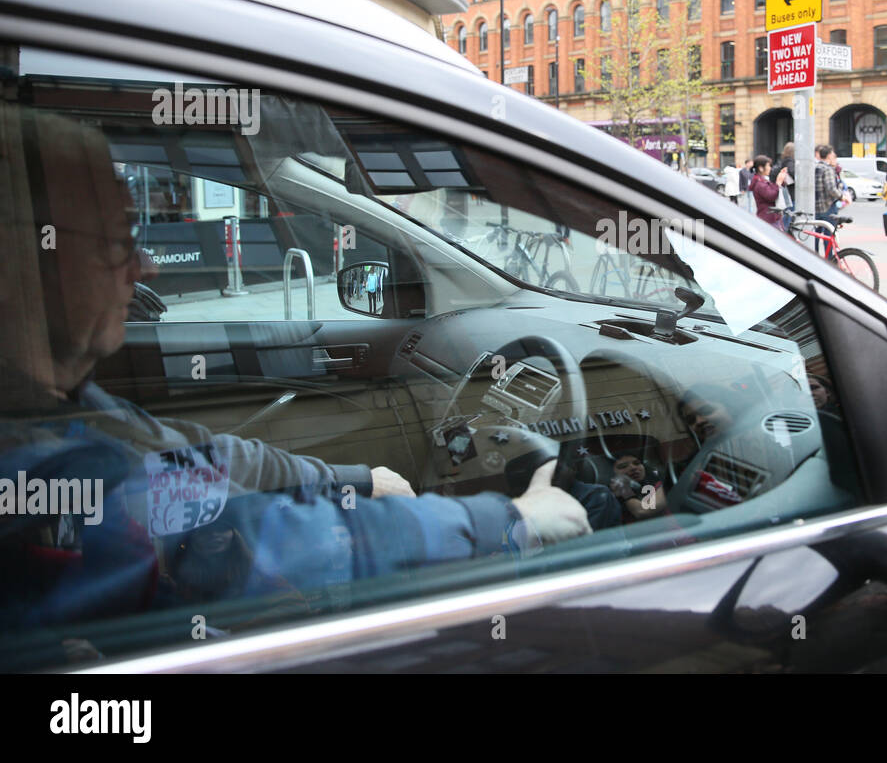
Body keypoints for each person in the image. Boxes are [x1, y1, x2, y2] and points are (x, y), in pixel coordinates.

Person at [0, 116, 594, 647]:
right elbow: (281, 543)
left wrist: (352, 480)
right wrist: (513, 521)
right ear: (20, 259)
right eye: (115, 240)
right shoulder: (39, 460)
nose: (145, 266)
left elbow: (195, 461)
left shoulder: (67, 407)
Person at [608, 454, 666, 521]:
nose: (633, 467)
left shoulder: (660, 485)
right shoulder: (608, 497)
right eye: (623, 466)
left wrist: (625, 490)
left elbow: (643, 511)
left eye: (637, 463)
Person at [748, 155, 788, 230]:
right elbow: (771, 196)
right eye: (768, 166)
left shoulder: (762, 180)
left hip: (770, 217)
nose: (770, 168)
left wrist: (780, 181)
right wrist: (778, 183)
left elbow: (773, 189)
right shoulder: (759, 183)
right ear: (761, 168)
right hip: (768, 219)